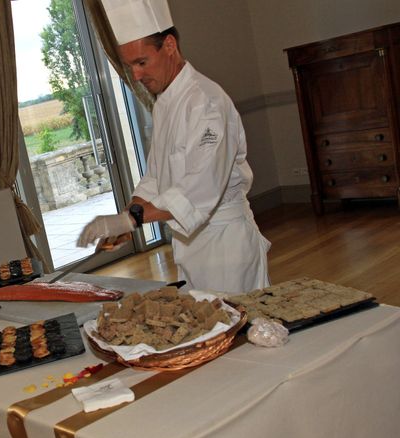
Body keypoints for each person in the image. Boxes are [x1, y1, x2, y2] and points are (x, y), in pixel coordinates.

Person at [77, 0, 270, 293]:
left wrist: (130, 219)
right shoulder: (165, 103)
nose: (137, 76)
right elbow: (157, 177)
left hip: (226, 248)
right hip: (189, 246)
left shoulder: (207, 103)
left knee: (240, 330)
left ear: (169, 45)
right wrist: (129, 217)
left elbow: (201, 187)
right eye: (131, 66)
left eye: (142, 62)